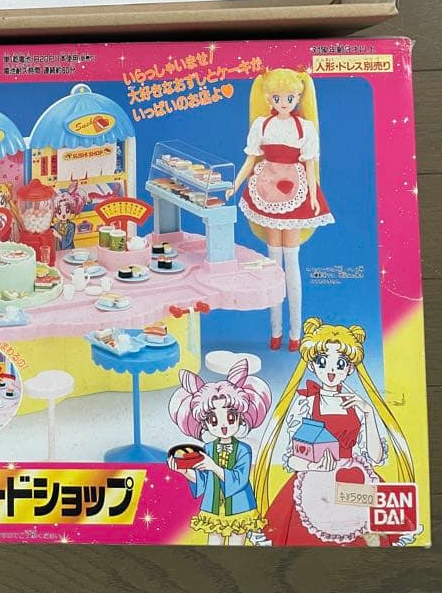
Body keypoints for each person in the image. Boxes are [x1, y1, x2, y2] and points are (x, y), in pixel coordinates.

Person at [252, 317, 416, 546]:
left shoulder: (356, 405)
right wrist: (314, 466)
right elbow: (293, 457)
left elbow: (376, 457)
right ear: (311, 365)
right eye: (322, 361)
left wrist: (368, 413)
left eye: (339, 363)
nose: (330, 370)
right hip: (313, 482)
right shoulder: (306, 403)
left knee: (370, 535)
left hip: (354, 478)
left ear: (350, 368)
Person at [226, 67, 334, 350]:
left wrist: (313, 195)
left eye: (289, 98)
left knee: (292, 262)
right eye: (277, 97)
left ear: (297, 97)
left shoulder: (305, 128)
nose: (283, 103)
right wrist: (235, 184)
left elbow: (310, 164)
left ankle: (296, 332)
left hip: (295, 188)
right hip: (267, 187)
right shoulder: (262, 125)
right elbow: (250, 160)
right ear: (268, 97)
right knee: (273, 263)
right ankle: (275, 331)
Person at [167, 359, 271, 545]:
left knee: (236, 550)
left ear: (240, 418)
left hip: (239, 507)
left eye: (230, 418)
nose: (223, 426)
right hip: (213, 508)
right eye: (214, 421)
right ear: (205, 424)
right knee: (213, 547)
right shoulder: (208, 449)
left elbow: (239, 480)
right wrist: (184, 471)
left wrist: (214, 467)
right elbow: (204, 481)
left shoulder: (243, 449)